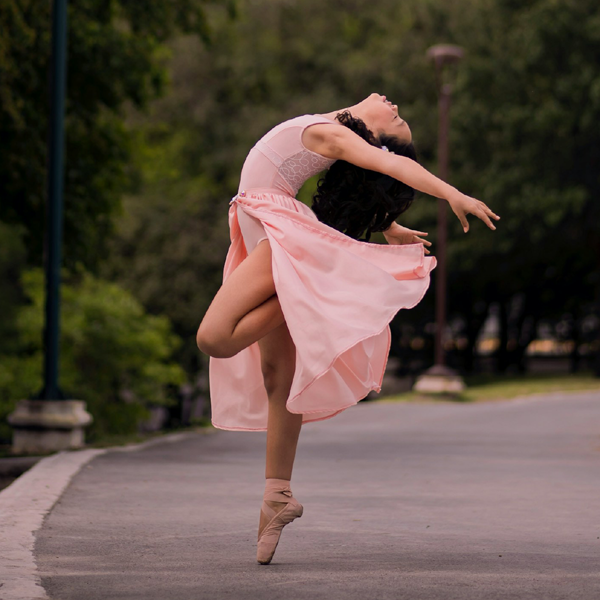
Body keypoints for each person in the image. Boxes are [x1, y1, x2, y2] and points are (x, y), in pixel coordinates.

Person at [196, 92, 499, 565]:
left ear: (376, 137)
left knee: (213, 337)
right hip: (272, 227)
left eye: (397, 122)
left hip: (278, 232)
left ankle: (305, 289)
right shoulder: (329, 129)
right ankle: (277, 496)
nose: (396, 105)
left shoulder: (331, 133)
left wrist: (452, 194)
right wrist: (387, 225)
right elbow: (365, 180)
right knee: (280, 379)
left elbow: (394, 168)